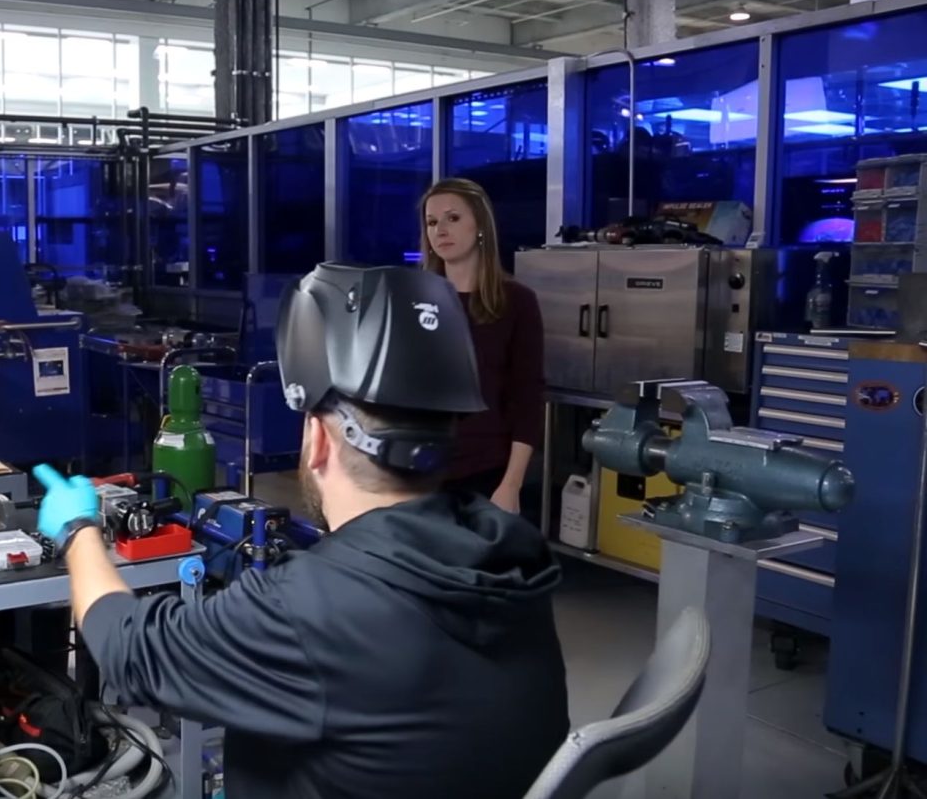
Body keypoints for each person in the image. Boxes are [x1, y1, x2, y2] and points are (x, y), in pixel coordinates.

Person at [32, 264, 568, 799]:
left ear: (318, 440)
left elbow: (128, 648)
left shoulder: (312, 607)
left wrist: (78, 527)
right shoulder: (510, 556)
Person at [421, 177, 545, 514]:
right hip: (420, 470)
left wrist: (511, 485)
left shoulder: (516, 302)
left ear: (480, 226)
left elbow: (527, 398)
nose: (440, 230)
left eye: (453, 218)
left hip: (486, 472)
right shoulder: (416, 300)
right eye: (432, 222)